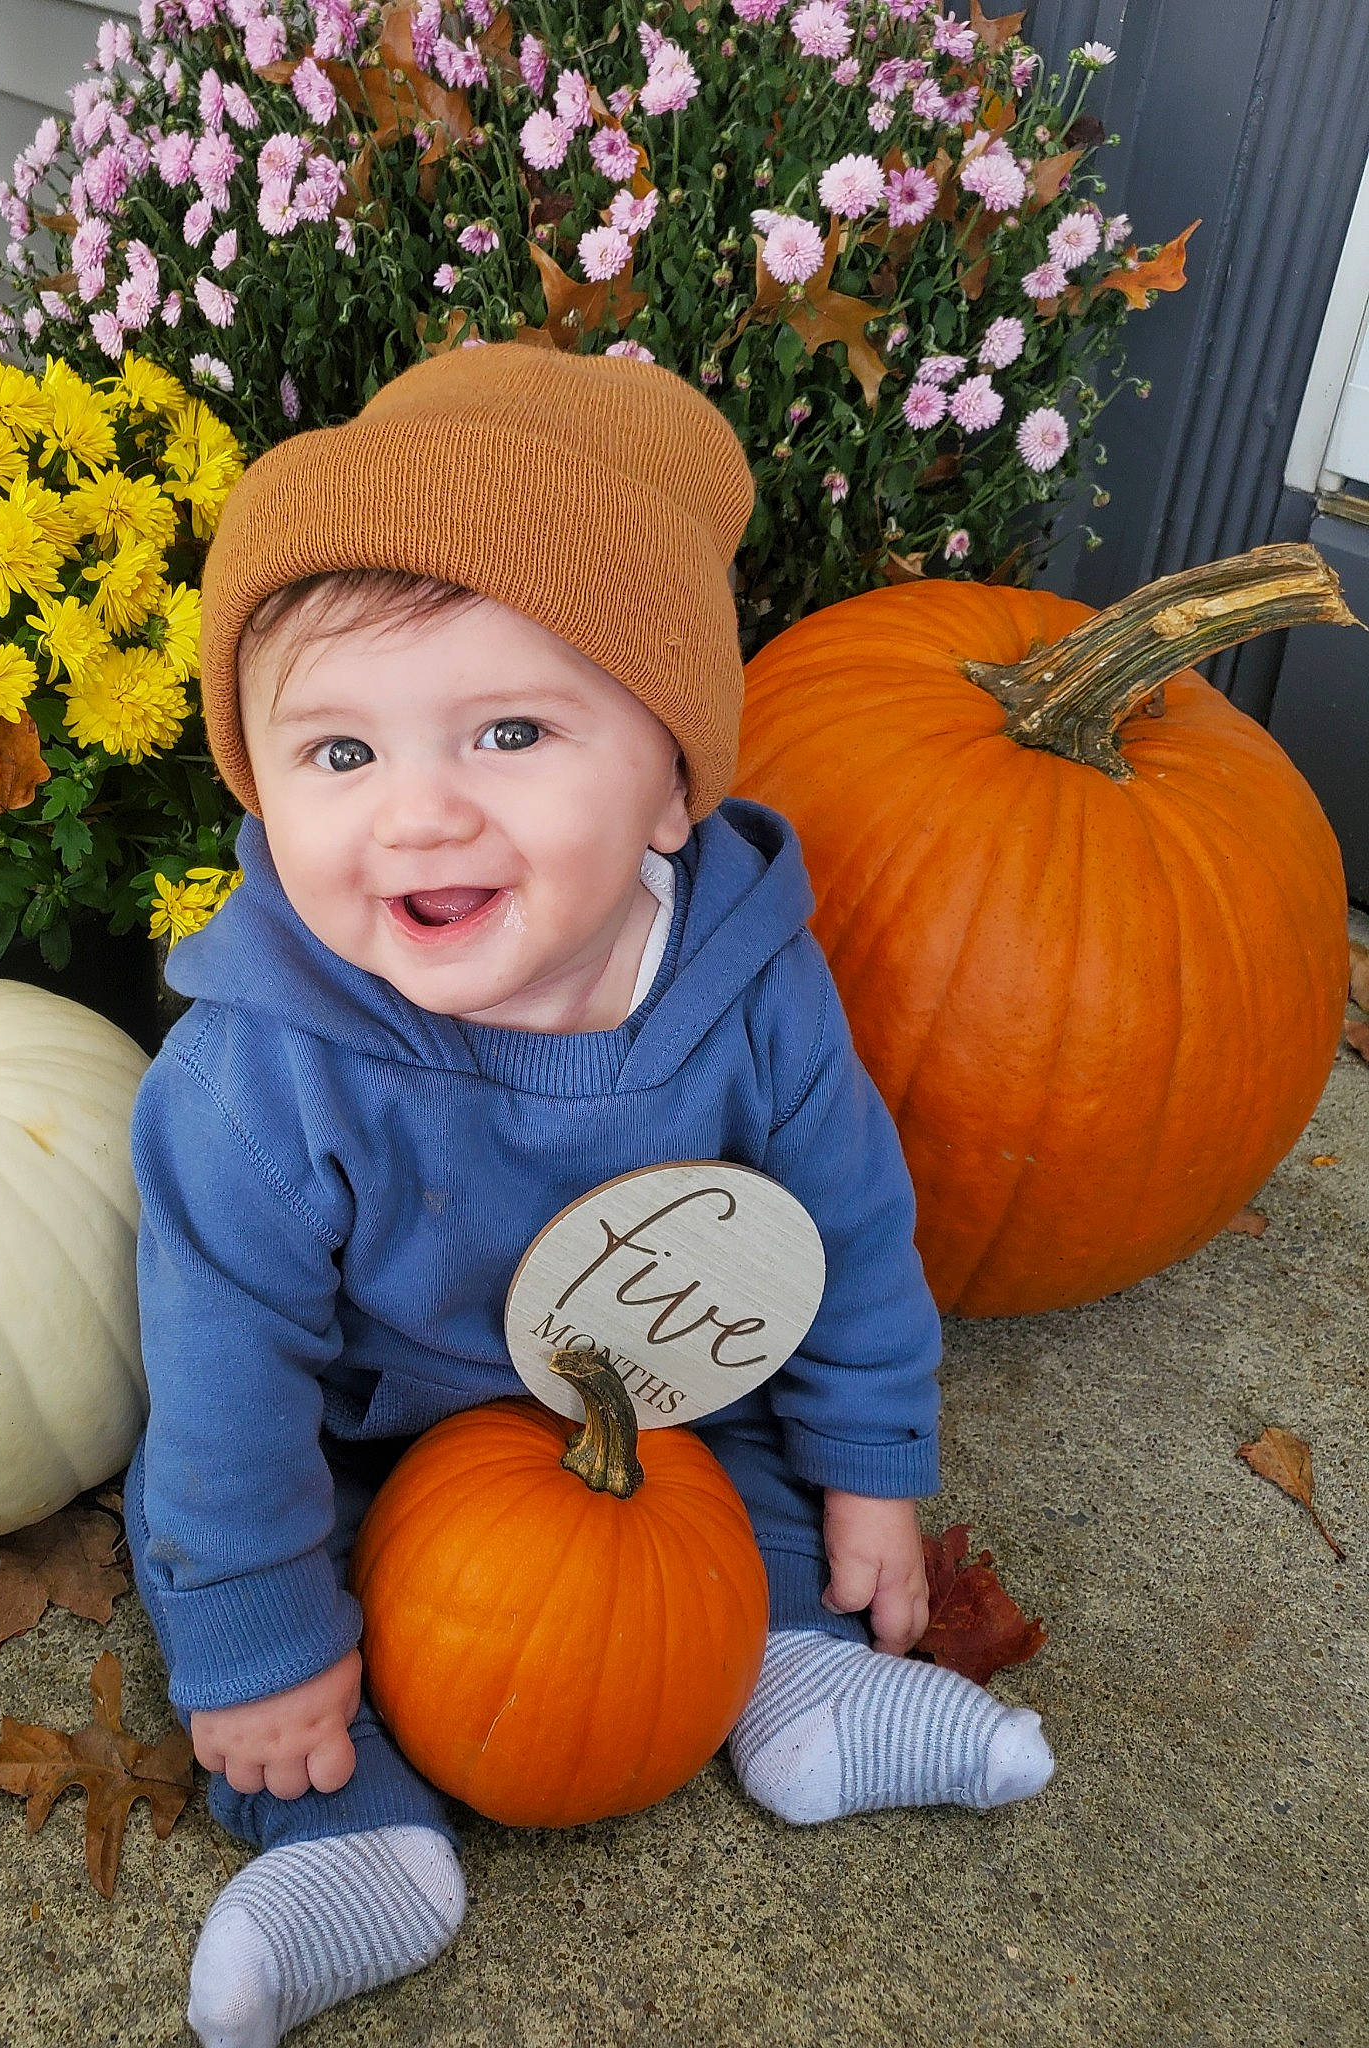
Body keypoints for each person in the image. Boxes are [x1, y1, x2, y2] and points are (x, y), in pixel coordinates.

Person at [125, 343, 1054, 2048]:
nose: (417, 813)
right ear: (256, 771)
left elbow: (846, 1240)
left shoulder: (747, 988)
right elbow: (222, 1370)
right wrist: (259, 1640)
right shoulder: (261, 1073)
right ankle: (347, 1841)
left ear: (672, 786)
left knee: (756, 1484)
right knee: (254, 1570)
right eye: (336, 753)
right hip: (362, 1431)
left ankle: (796, 1682)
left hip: (661, 1400)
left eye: (510, 728)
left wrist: (869, 1475)